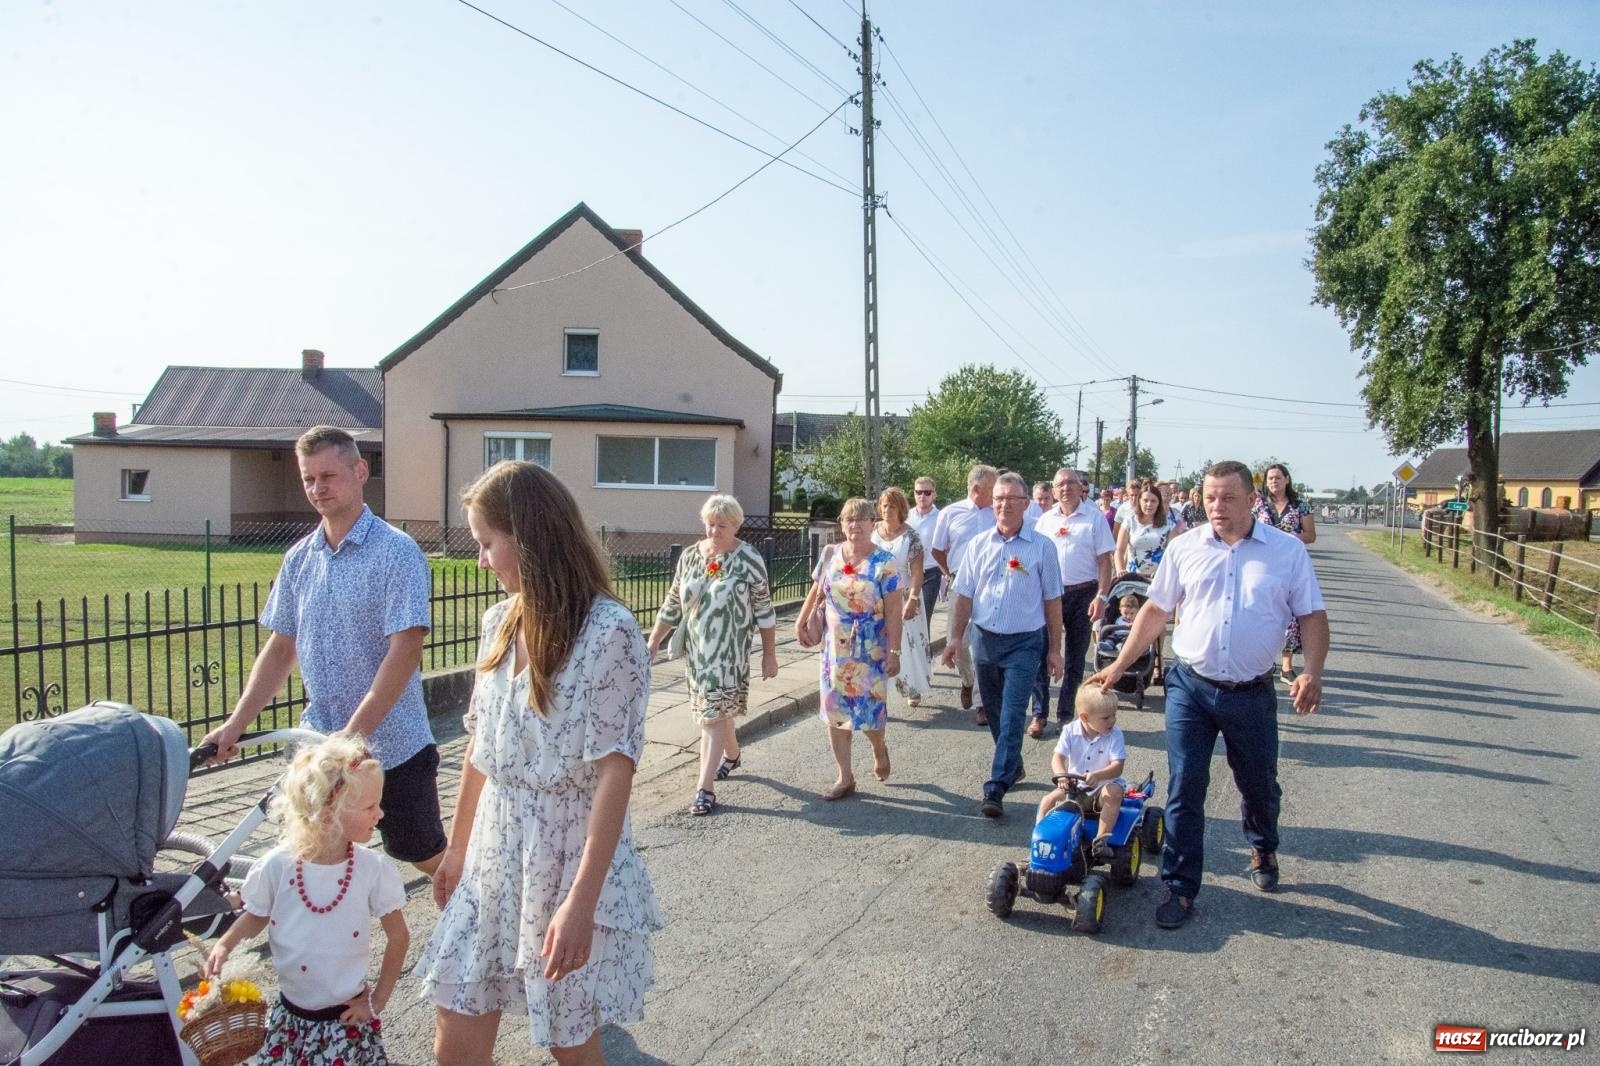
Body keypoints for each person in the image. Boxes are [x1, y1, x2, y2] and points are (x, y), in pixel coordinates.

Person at [421, 461, 663, 1066]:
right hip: (493, 851)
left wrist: (581, 902)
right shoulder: (498, 622)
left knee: (569, 1041)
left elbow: (615, 773)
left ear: (527, 538)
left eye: (486, 543)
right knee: (455, 1027)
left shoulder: (609, 632)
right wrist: (457, 848)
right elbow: (480, 747)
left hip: (565, 859)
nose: (481, 561)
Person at [1087, 460, 1329, 931]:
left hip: (1250, 693)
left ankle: (1263, 845)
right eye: (1210, 498)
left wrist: (1312, 672)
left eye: (1228, 498)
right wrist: (1118, 665)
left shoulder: (1287, 552)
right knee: (1185, 787)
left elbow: (1312, 616)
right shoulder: (1186, 547)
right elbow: (1156, 610)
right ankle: (1179, 887)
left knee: (1258, 784)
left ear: (1251, 499)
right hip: (1190, 686)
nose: (1217, 507)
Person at [202, 426, 445, 877]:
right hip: (318, 747)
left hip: (393, 747)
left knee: (426, 857)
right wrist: (236, 724)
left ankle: (480, 909)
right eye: (308, 479)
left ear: (360, 472)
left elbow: (405, 652)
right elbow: (281, 648)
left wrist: (351, 740)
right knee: (314, 859)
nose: (318, 488)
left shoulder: (397, 552)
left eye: (328, 476)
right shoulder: (299, 558)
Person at [204, 733, 408, 1065]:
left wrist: (377, 1000)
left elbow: (399, 935)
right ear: (329, 813)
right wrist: (226, 944)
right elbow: (257, 915)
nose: (380, 814)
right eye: (370, 806)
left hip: (346, 1022)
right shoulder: (278, 866)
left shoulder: (373, 870)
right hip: (290, 1021)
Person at [940, 472, 1063, 819]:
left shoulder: (1042, 547)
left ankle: (995, 786)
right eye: (998, 498)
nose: (1004, 504)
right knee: (993, 710)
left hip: (1025, 642)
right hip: (984, 640)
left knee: (1012, 713)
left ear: (1025, 504)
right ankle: (1013, 764)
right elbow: (964, 595)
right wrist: (955, 638)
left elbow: (1053, 601)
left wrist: (1055, 649)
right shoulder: (979, 544)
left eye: (1011, 498)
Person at [646, 494, 779, 816]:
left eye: (722, 526)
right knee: (717, 711)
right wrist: (653, 642)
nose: (715, 531)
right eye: (710, 524)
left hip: (730, 653)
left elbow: (764, 609)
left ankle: (704, 787)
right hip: (698, 653)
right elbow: (673, 602)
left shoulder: (749, 558)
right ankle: (732, 755)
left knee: (712, 715)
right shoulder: (690, 557)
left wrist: (770, 654)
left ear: (736, 526)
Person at [794, 498, 902, 799]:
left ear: (872, 524)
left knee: (870, 712)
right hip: (835, 648)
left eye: (862, 519)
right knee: (835, 711)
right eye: (849, 520)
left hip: (872, 647)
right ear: (842, 524)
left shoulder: (885, 562)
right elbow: (817, 590)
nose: (855, 525)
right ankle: (845, 777)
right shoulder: (831, 554)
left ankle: (878, 748)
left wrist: (894, 652)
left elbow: (894, 610)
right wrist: (801, 620)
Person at [1027, 467, 1115, 739]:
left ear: (1080, 488)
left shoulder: (1094, 518)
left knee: (1076, 658)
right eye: (1060, 485)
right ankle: (1039, 713)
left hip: (1083, 593)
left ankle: (1065, 715)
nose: (1065, 489)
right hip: (1049, 594)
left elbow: (1105, 562)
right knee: (1041, 653)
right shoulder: (1045, 520)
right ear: (1053, 491)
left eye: (1070, 484)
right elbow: (1034, 558)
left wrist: (1102, 596)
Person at [930, 465, 998, 725]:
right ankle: (968, 680)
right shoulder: (951, 513)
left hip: (991, 583)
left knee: (983, 642)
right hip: (960, 582)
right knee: (956, 642)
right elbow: (937, 549)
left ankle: (982, 702)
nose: (997, 493)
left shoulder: (997, 512)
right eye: (993, 488)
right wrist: (949, 574)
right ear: (977, 489)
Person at [1035, 684, 1127, 860]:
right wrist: (1061, 775)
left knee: (1114, 793)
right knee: (1047, 800)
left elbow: (1118, 766)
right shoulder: (1070, 730)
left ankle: (1101, 841)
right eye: (1106, 717)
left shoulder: (1114, 734)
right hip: (1074, 787)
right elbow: (1057, 758)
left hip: (1101, 788)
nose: (1112, 721)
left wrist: (1098, 775)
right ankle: (1040, 837)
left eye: (1114, 715)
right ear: (1085, 717)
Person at [1253, 463, 1318, 683]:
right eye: (1270, 478)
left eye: (1278, 477)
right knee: (1261, 610)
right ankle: (1261, 661)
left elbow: (1310, 535)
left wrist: (1287, 538)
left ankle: (1287, 665)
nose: (1274, 481)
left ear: (1287, 479)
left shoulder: (1301, 504)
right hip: (1262, 564)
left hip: (1290, 565)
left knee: (1290, 614)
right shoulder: (1258, 503)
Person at [873, 487, 932, 707]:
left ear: (900, 509)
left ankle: (911, 686)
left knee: (907, 643)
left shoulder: (911, 536)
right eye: (884, 505)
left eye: (892, 506)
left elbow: (917, 572)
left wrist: (913, 599)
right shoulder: (873, 531)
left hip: (903, 593)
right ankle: (879, 689)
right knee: (879, 642)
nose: (887, 510)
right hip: (876, 594)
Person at [1115, 478, 1185, 577]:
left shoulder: (1169, 523)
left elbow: (1173, 552)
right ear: (1140, 501)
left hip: (1159, 577)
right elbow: (1119, 550)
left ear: (1158, 503)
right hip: (1132, 577)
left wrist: (1163, 571)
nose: (1149, 504)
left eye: (1153, 501)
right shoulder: (1129, 522)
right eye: (1145, 500)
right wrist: (1120, 569)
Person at [904, 476, 942, 630]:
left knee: (923, 618)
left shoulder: (941, 517)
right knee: (906, 619)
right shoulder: (906, 516)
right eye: (918, 492)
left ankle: (925, 646)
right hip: (907, 573)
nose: (922, 496)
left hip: (930, 573)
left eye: (927, 492)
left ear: (934, 494)